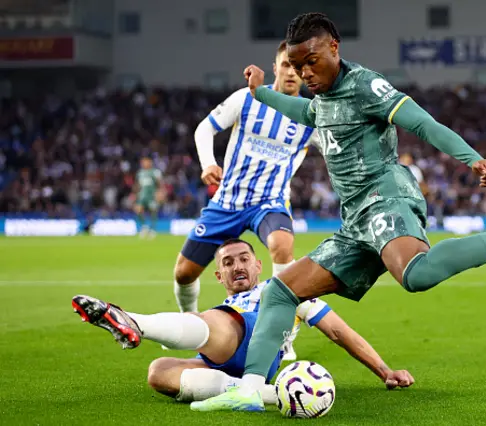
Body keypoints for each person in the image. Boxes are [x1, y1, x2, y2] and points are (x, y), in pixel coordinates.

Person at [193, 12, 486, 412]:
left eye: (312, 62)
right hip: (355, 222)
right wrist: (261, 93)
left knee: (416, 274)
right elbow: (306, 113)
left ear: (334, 48)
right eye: (298, 66)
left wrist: (473, 158)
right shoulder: (320, 100)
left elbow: (422, 123)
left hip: (385, 197)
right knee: (282, 291)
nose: (305, 74)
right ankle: (249, 389)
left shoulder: (366, 85)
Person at [71, 238, 413, 405]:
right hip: (223, 364)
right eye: (229, 263)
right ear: (219, 276)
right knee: (158, 371)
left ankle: (133, 321)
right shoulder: (224, 305)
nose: (238, 267)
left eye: (245, 259)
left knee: (210, 323)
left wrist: (385, 371)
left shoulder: (283, 291)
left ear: (258, 265)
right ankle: (269, 395)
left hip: (253, 344)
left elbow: (339, 331)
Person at [173, 41, 321, 361]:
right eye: (286, 65)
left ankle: (282, 334)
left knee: (282, 245)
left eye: (298, 68)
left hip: (269, 202)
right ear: (275, 66)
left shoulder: (311, 116)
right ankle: (191, 322)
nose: (292, 73)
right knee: (184, 273)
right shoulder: (246, 99)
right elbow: (204, 130)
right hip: (227, 202)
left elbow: (340, 149)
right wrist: (207, 164)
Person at [134, 157, 163, 238]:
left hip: (152, 195)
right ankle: (144, 227)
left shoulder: (155, 172)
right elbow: (137, 185)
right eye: (143, 162)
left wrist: (160, 193)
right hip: (142, 195)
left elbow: (160, 183)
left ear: (150, 162)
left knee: (153, 211)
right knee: (138, 210)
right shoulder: (140, 173)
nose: (144, 164)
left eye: (146, 162)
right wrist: (135, 194)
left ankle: (153, 230)